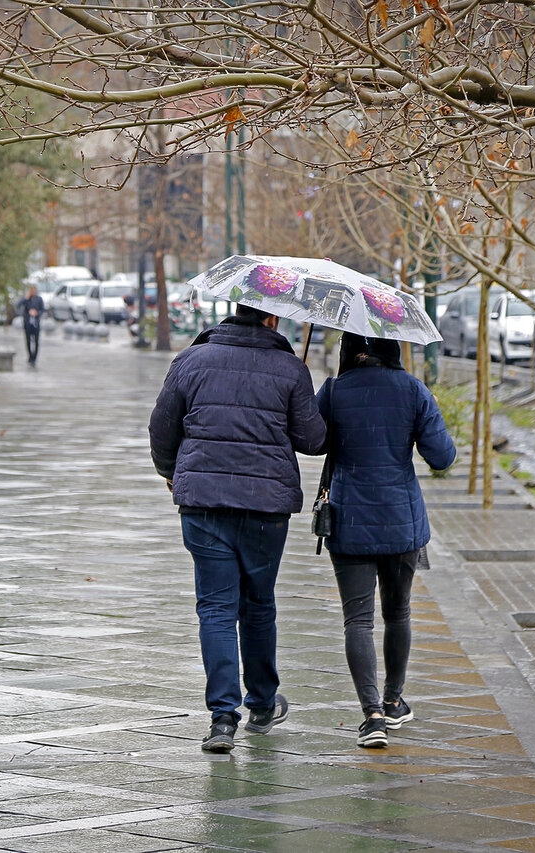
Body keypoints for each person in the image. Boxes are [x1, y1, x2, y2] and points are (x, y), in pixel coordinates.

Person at [149, 304, 327, 753]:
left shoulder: (190, 360)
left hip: (203, 503)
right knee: (259, 604)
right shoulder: (290, 368)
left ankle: (222, 717)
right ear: (273, 320)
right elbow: (312, 441)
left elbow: (161, 426)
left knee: (214, 608)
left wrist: (172, 471)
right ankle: (263, 703)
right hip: (266, 509)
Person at [317, 332, 456, 749]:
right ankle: (394, 700)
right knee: (398, 613)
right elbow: (442, 457)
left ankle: (372, 714)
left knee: (357, 619)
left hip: (349, 520)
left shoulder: (335, 390)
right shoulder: (413, 389)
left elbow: (311, 442)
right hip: (401, 521)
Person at [17, 285, 45, 366]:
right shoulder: (26, 299)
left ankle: (34, 358)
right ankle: (30, 356)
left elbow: (42, 309)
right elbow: (18, 305)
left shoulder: (39, 299)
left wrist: (36, 313)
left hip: (36, 322)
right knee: (28, 340)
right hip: (27, 322)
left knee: (36, 341)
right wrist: (25, 298)